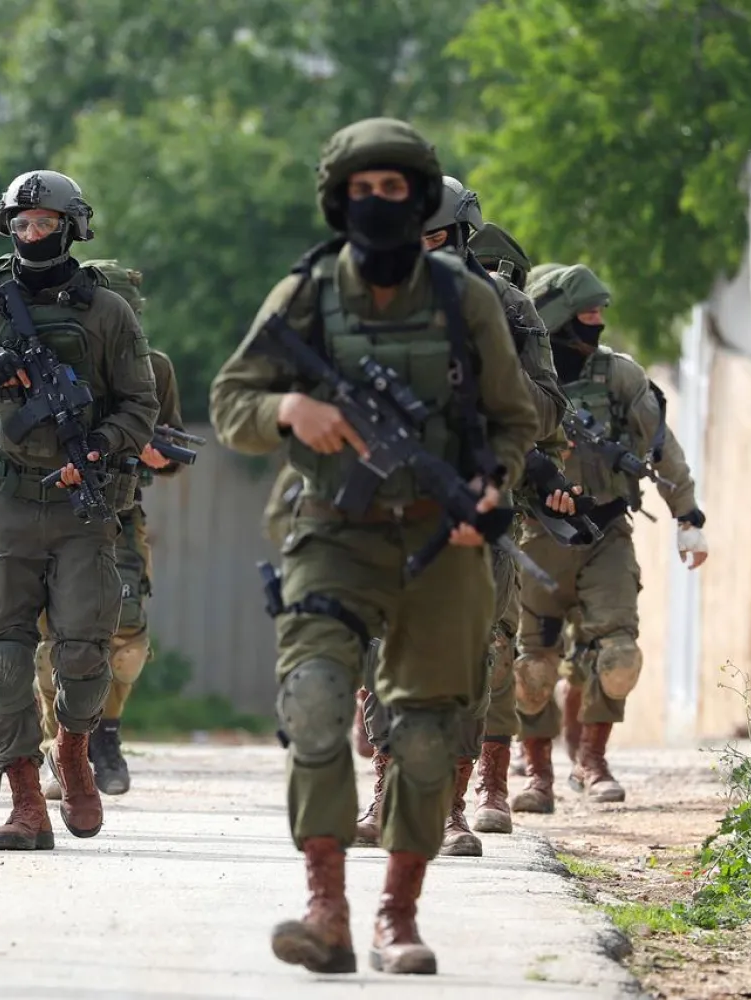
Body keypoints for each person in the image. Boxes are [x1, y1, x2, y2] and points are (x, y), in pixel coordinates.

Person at [209, 117, 538, 975]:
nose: (380, 203)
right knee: (315, 699)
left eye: (396, 189)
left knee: (426, 735)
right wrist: (291, 412)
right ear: (339, 199)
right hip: (333, 532)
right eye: (364, 188)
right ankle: (327, 907)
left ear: (420, 199)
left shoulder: (468, 300)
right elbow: (231, 399)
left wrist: (492, 488)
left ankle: (399, 913)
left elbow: (516, 417)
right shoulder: (308, 294)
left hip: (442, 540)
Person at [0, 169, 158, 849]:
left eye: (45, 224)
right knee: (2, 654)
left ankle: (77, 756)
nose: (32, 235)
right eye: (22, 225)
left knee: (85, 653)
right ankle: (25, 797)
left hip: (82, 504)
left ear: (71, 227)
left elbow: (140, 405)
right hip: (5, 499)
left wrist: (98, 453)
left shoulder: (107, 312)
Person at [354, 182, 573, 855]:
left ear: (459, 235)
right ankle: (388, 794)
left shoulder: (508, 307)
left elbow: (548, 406)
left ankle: (452, 807)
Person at [510, 262, 706, 810]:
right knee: (531, 668)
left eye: (599, 312)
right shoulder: (515, 380)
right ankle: (538, 776)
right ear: (553, 317)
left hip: (605, 535)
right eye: (585, 312)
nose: (596, 321)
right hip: (534, 540)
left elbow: (662, 448)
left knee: (618, 657)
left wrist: (688, 516)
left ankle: (591, 762)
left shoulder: (619, 376)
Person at [35, 259, 184, 799]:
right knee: (54, 636)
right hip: (52, 509)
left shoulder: (155, 368)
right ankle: (59, 746)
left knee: (126, 639)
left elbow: (170, 450)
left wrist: (150, 452)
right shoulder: (43, 358)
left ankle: (106, 736)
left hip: (120, 512)